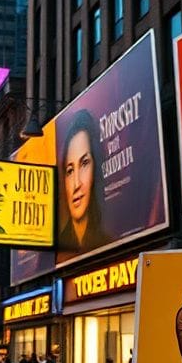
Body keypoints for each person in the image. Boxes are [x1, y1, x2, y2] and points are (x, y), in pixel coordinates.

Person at [58, 108, 108, 256]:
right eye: (70, 170)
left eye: (84, 163)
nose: (76, 184)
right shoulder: (56, 253)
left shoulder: (107, 241)